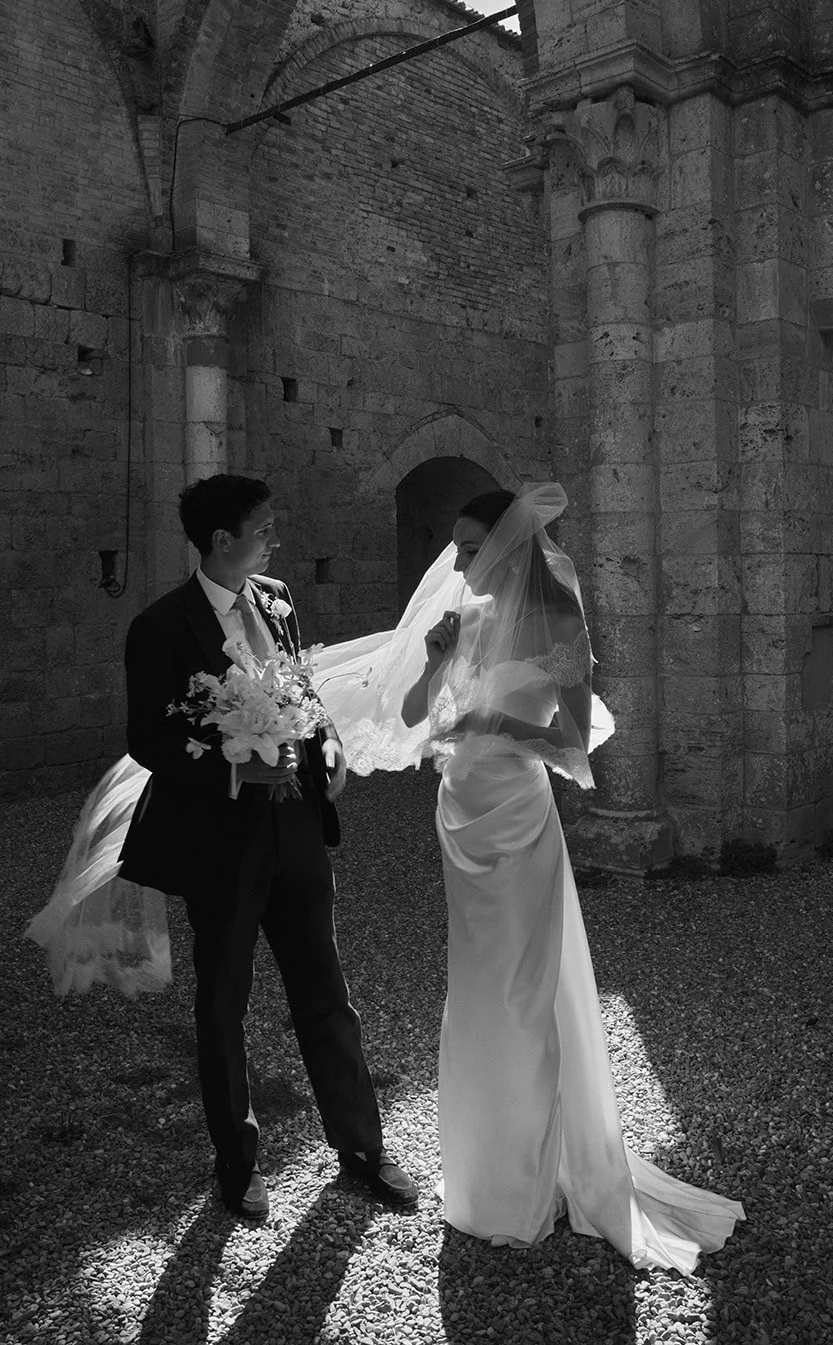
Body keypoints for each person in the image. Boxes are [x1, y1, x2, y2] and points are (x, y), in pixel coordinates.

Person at [313, 481, 744, 1269]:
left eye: (474, 548)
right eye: (459, 547)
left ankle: (534, 1171)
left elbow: (576, 743)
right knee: (477, 984)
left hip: (514, 812)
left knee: (520, 985)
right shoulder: (465, 617)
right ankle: (488, 1168)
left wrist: (488, 721)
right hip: (458, 811)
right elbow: (413, 719)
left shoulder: (557, 620)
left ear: (511, 549)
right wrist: (436, 661)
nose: (461, 561)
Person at [28, 475, 418, 1222]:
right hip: (220, 840)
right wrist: (235, 768)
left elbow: (302, 691)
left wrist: (327, 744)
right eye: (263, 529)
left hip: (298, 831)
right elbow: (148, 738)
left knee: (327, 994)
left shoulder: (276, 599)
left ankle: (362, 1148)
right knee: (223, 1004)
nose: (274, 541)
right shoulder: (160, 626)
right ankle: (236, 1165)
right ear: (220, 542)